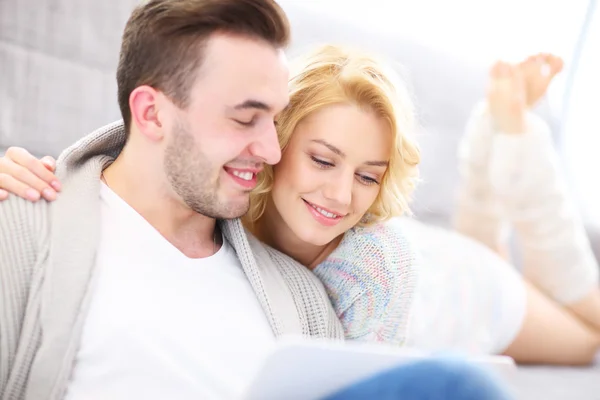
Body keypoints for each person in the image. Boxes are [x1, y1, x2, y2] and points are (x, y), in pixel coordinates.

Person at [0, 1, 518, 400]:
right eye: (246, 118)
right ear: (153, 115)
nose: (272, 149)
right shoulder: (30, 225)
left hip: (452, 279)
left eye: (274, 120)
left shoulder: (311, 291)